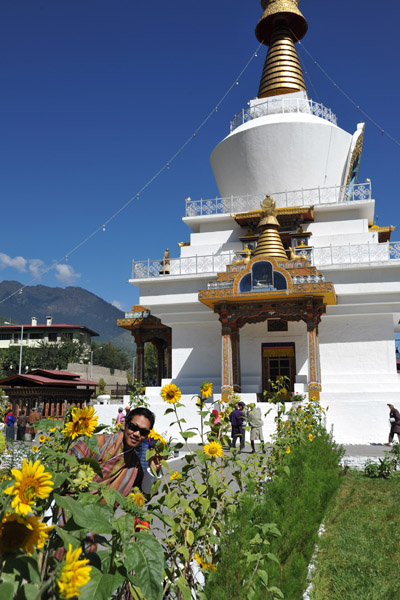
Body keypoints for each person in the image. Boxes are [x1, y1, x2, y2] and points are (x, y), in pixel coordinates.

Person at [69, 407, 161, 496]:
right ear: (125, 425)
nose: (137, 434)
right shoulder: (98, 443)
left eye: (143, 432)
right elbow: (66, 463)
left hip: (101, 511)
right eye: (133, 427)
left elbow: (141, 495)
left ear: (147, 436)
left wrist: (153, 471)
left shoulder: (134, 466)